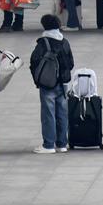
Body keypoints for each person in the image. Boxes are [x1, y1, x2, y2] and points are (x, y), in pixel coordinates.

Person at [29, 14, 74, 154]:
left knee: (48, 114)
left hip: (47, 83)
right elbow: (71, 63)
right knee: (62, 114)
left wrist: (38, 78)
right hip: (63, 83)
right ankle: (62, 144)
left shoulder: (43, 43)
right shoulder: (64, 41)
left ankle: (48, 145)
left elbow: (34, 61)